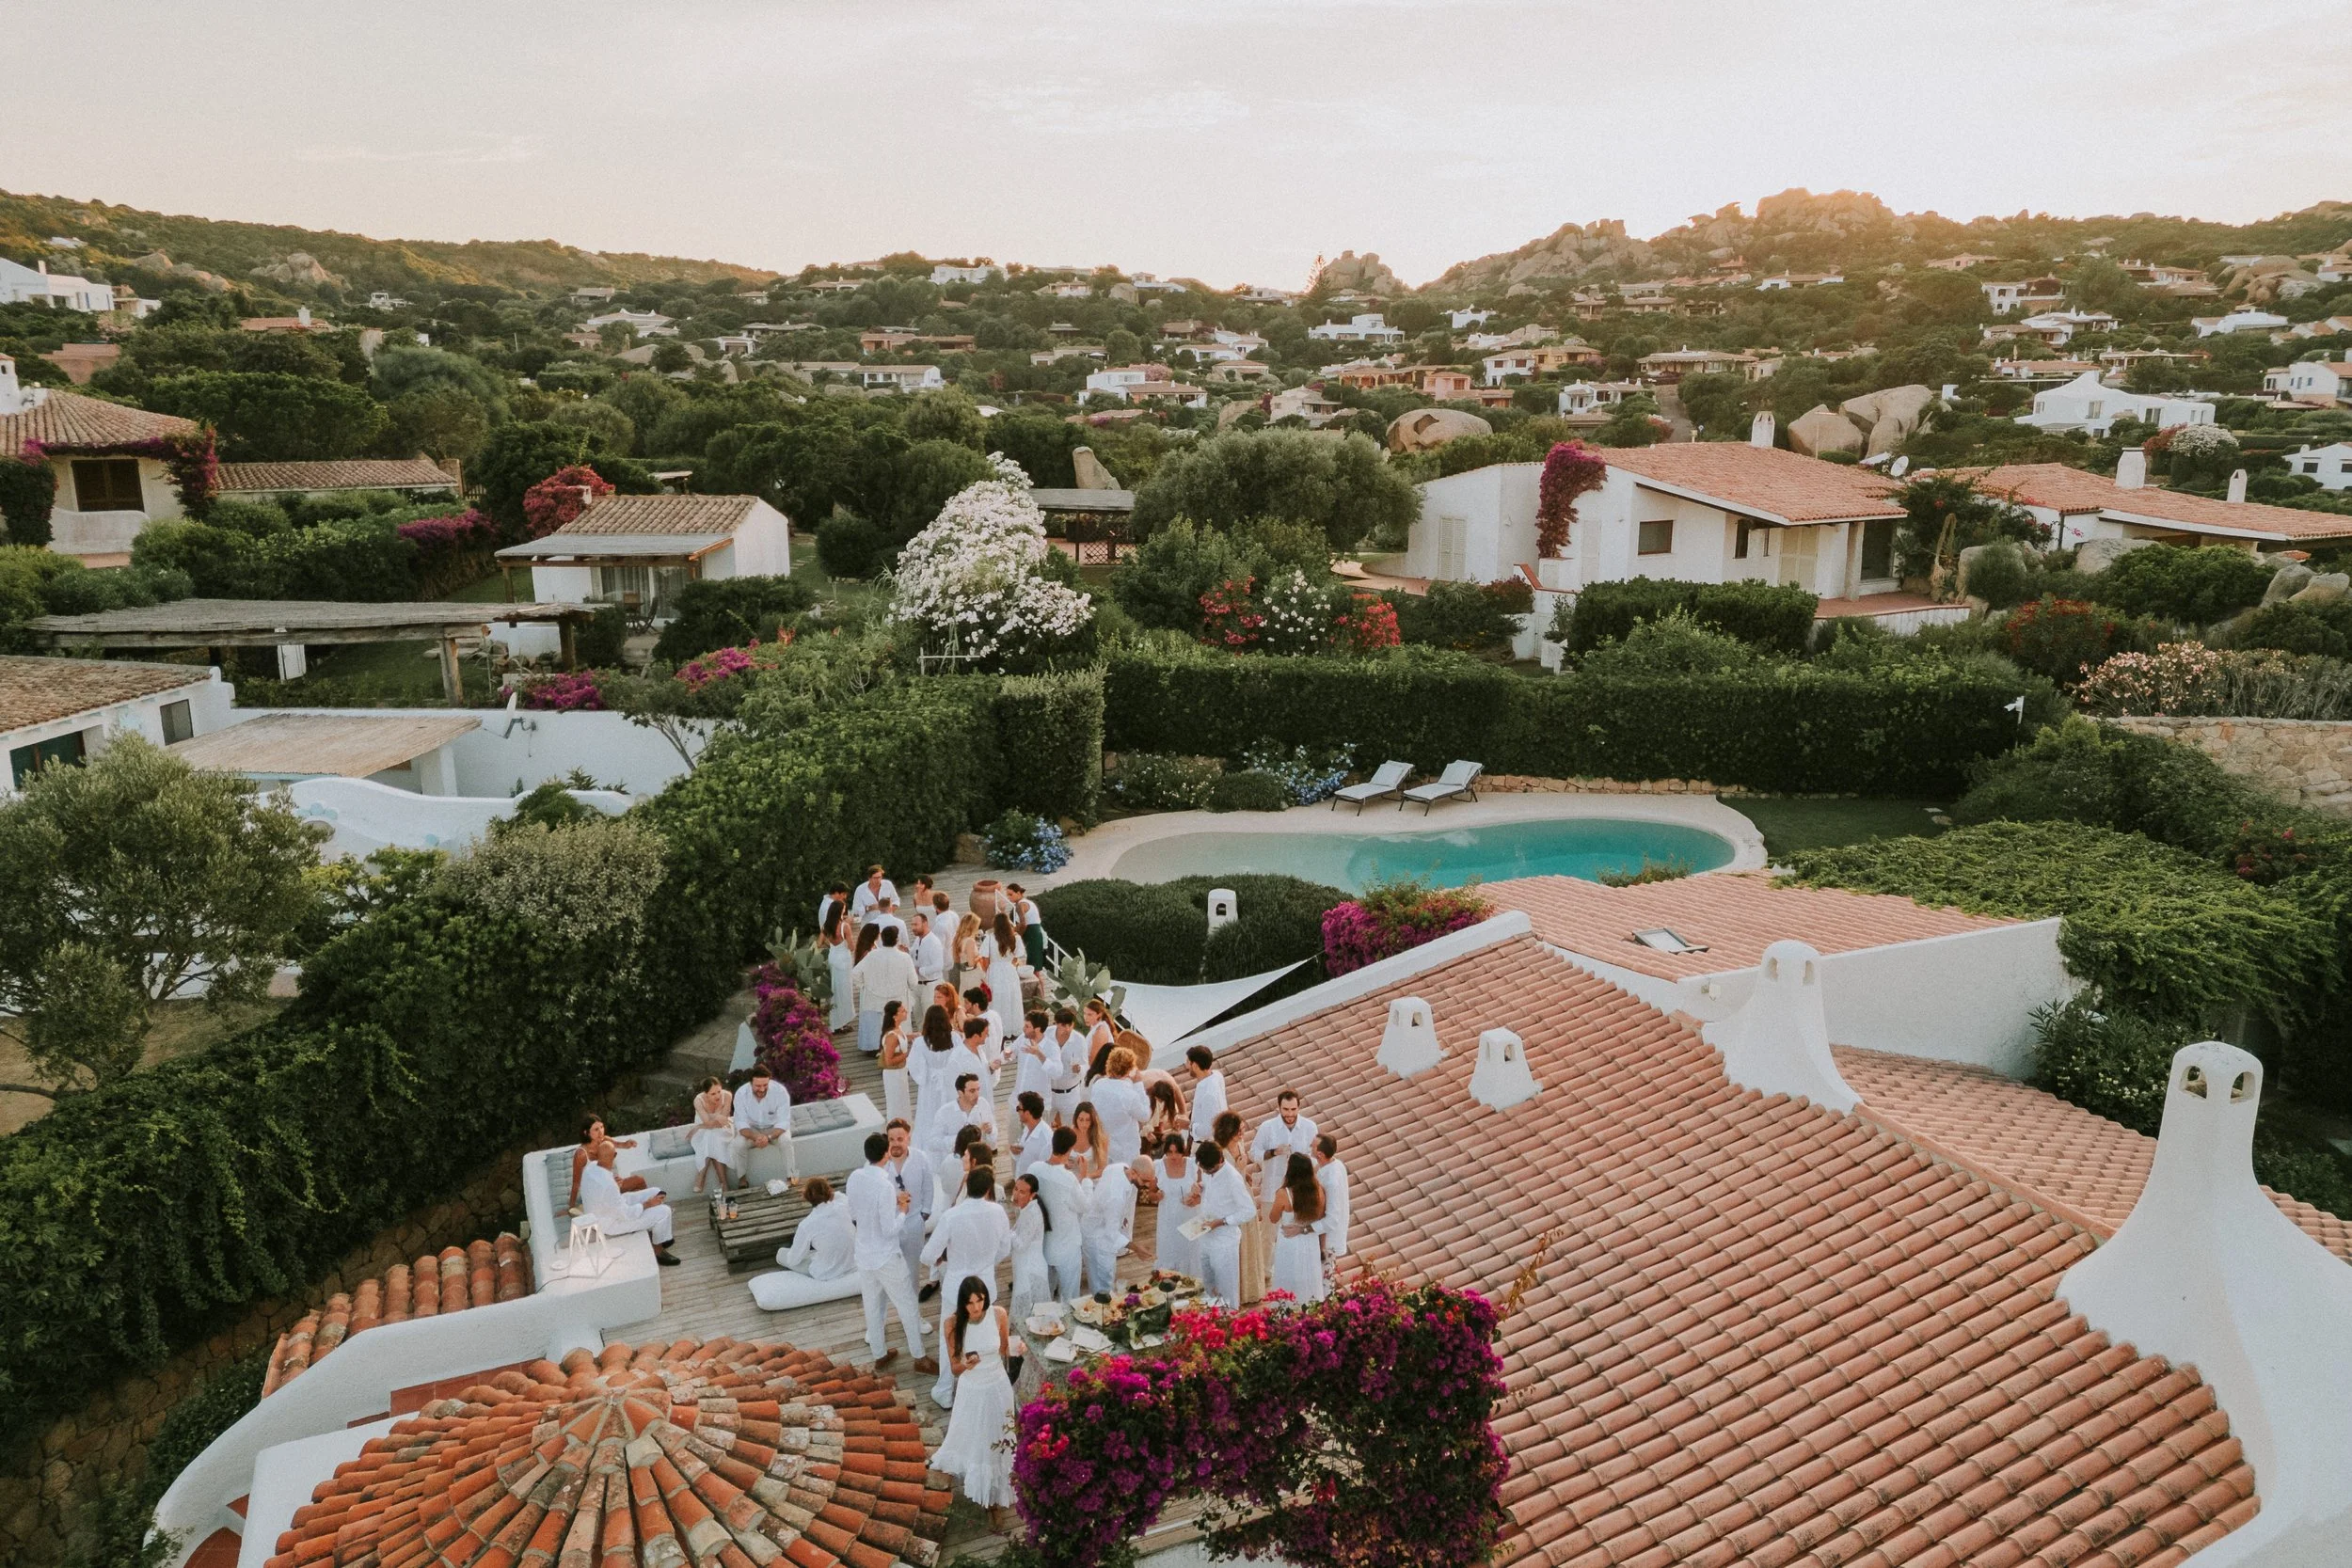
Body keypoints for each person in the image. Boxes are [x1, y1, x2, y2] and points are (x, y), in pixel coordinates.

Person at [930, 1275, 1024, 1528]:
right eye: (970, 1303)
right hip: (973, 1389)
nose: (976, 1308)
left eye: (979, 1300)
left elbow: (1004, 1348)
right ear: (962, 1304)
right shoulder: (952, 1324)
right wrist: (966, 1365)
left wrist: (1018, 1348)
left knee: (1000, 1438)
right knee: (981, 1441)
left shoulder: (999, 1314)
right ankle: (988, 1502)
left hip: (998, 1385)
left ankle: (999, 1493)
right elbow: (953, 1368)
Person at [922, 1168, 1012, 1406]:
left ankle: (945, 1392)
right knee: (986, 1334)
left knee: (950, 1338)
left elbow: (927, 1254)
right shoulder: (998, 1212)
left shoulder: (952, 1216)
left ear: (966, 1186)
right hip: (984, 1286)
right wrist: (987, 1263)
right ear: (988, 1188)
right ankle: (990, 1385)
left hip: (956, 1287)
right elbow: (1005, 1248)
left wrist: (942, 1259)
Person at [847, 1132, 930, 1371]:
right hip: (885, 1256)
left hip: (863, 1254)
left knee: (872, 1305)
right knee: (907, 1305)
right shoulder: (884, 1185)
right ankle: (919, 1356)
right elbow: (889, 1229)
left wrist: (891, 1203)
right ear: (885, 1155)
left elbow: (855, 1214)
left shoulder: (854, 1177)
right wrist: (903, 1209)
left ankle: (880, 1353)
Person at [580, 1140, 679, 1266]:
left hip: (609, 1208)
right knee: (664, 1211)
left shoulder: (591, 1167)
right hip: (611, 1223)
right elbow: (626, 1214)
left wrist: (615, 1184)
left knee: (656, 1191)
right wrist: (647, 1204)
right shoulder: (608, 1185)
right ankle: (658, 1250)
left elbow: (602, 1192)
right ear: (614, 1156)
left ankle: (662, 1236)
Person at [1190, 1141, 1254, 1307]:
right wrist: (1200, 1187)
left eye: (1208, 1169)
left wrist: (1222, 1222)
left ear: (1219, 1161)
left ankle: (1230, 1319)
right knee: (1207, 1284)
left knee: (1227, 1288)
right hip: (1204, 1235)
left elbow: (1249, 1211)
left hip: (1225, 1241)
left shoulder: (1233, 1179)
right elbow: (1211, 1187)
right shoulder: (1207, 1170)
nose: (1204, 1172)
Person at [880, 1119, 937, 1299]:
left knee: (912, 1268)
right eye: (891, 1139)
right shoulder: (880, 1163)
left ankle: (913, 1310)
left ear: (908, 1139)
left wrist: (924, 1212)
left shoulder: (921, 1158)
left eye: (900, 1138)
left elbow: (928, 1186)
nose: (895, 1143)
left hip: (914, 1221)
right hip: (889, 1224)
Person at [1265, 1152, 1327, 1305]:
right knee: (1309, 1276)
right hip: (1310, 1240)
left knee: (1288, 1276)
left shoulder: (1283, 1193)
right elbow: (1321, 1216)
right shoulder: (1318, 1190)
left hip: (1289, 1241)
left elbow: (1273, 1218)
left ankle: (1287, 1308)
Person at [1034, 1127, 1087, 1302]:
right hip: (1067, 1247)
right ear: (1070, 1149)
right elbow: (1083, 1206)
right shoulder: (1068, 1179)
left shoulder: (1035, 1168)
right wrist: (1084, 1179)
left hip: (1043, 1245)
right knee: (1070, 1298)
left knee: (1045, 1298)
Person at [853, 927, 920, 1058]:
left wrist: (864, 986)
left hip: (876, 998)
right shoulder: (905, 958)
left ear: (882, 939)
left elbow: (855, 973)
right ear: (897, 940)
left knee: (878, 1024)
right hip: (898, 998)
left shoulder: (872, 955)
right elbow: (913, 982)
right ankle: (897, 1047)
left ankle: (875, 1048)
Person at [775, 1177, 855, 1282]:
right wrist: (828, 1193)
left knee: (782, 1254)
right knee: (814, 1252)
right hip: (854, 1263)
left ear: (806, 1197)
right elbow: (840, 1196)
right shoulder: (843, 1205)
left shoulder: (807, 1224)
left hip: (827, 1273)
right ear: (829, 1192)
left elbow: (793, 1261)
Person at [1249, 1091, 1319, 1204]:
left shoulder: (1310, 1127)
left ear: (1298, 1108)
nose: (1290, 1113)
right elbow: (1253, 1153)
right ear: (1279, 1108)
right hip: (1272, 1193)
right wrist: (1273, 1153)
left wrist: (1302, 1160)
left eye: (1293, 1109)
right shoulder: (1267, 1127)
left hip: (1300, 1194)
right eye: (1286, 1109)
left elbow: (1317, 1158)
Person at [733, 1065, 794, 1183]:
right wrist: (756, 1137)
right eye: (758, 1086)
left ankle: (790, 1177)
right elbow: (741, 1124)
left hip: (774, 1129)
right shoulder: (741, 1094)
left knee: (786, 1141)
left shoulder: (780, 1091)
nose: (762, 1089)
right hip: (751, 1130)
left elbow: (783, 1122)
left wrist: (768, 1137)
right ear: (751, 1083)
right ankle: (742, 1180)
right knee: (738, 1144)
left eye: (765, 1085)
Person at [1079, 1155, 1131, 1296]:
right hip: (1097, 1238)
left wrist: (1121, 1217)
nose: (1145, 1184)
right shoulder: (1115, 1197)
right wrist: (1136, 1248)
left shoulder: (1120, 1167)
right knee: (1103, 1282)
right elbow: (1112, 1234)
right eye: (1144, 1180)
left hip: (1097, 1224)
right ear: (1134, 1173)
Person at [568, 1116, 644, 1209]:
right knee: (637, 1186)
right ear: (586, 1133)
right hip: (595, 1194)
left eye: (602, 1127)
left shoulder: (605, 1140)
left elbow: (621, 1145)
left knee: (639, 1181)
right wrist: (571, 1207)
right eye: (596, 1129)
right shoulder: (581, 1154)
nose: (601, 1132)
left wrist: (628, 1143)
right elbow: (576, 1183)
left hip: (610, 1185)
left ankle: (629, 1209)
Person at [1152, 1132, 1200, 1279]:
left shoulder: (1193, 1165)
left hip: (1190, 1217)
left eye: (1176, 1152)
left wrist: (1195, 1199)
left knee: (1191, 1252)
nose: (1173, 1156)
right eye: (1169, 1152)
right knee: (1169, 1251)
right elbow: (1150, 1193)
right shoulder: (1158, 1166)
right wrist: (1157, 1196)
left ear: (1183, 1150)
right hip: (1168, 1219)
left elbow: (1204, 1191)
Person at [1008, 1173, 1052, 1324]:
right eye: (1015, 1189)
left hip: (1030, 1268)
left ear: (1032, 1195)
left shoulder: (1033, 1213)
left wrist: (1009, 1232)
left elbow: (1020, 1245)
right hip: (1024, 1265)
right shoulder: (1026, 1209)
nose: (1016, 1194)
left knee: (1030, 1313)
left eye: (1022, 1192)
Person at [980, 912, 1026, 1040]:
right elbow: (1018, 956)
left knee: (997, 1000)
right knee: (1012, 999)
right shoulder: (1015, 938)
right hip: (1009, 971)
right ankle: (1013, 1027)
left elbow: (985, 960)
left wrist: (987, 970)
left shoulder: (989, 938)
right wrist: (1010, 962)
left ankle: (998, 1029)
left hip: (995, 971)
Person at [1313, 1132, 1350, 1281]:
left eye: (1313, 1146)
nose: (1310, 1147)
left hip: (1328, 1240)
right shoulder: (1335, 1164)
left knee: (1325, 1280)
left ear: (1320, 1154)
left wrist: (1307, 1230)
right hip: (1323, 1237)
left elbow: (1332, 1218)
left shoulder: (1331, 1181)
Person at [689, 1077, 735, 1195]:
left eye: (719, 1091)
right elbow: (707, 1123)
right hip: (702, 1133)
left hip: (724, 1130)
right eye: (713, 1093)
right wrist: (715, 1119)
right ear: (706, 1094)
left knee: (712, 1136)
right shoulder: (698, 1101)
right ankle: (724, 1183)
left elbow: (723, 1122)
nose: (717, 1096)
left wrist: (711, 1120)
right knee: (712, 1137)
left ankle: (701, 1175)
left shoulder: (727, 1096)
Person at [961, 990, 1005, 1103]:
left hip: (986, 1071)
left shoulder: (980, 1026)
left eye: (966, 1003)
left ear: (975, 1005)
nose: (964, 1006)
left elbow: (985, 1048)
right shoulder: (995, 1014)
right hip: (995, 1067)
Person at [1046, 1006, 1088, 1126]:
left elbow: (1086, 1066)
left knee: (1070, 1131)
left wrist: (1080, 1069)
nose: (1068, 1029)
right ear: (1056, 1024)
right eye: (1064, 1026)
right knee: (1042, 1128)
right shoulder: (1047, 1034)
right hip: (1048, 1092)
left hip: (1070, 1094)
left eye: (1070, 1025)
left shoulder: (1080, 1040)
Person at [1013, 1009, 1057, 1115]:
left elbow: (1057, 1073)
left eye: (1027, 1026)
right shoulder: (1022, 1039)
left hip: (1038, 1108)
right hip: (1017, 1103)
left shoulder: (1052, 1048)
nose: (1023, 1029)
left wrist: (1039, 1054)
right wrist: (1003, 1057)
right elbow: (1011, 1051)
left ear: (1037, 1029)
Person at [848, 923, 882, 1053]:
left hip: (874, 987)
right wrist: (863, 984)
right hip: (870, 988)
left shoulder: (871, 947)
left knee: (873, 1016)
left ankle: (873, 1044)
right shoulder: (868, 952)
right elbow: (856, 972)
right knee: (871, 1017)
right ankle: (872, 1046)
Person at [822, 905, 856, 1034]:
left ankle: (835, 1021)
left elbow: (821, 942)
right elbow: (851, 946)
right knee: (845, 991)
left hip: (833, 957)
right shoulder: (844, 926)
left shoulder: (826, 926)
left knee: (835, 989)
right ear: (840, 911)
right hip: (843, 959)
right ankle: (841, 1022)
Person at [1185, 1045, 1227, 1148]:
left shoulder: (1208, 1094)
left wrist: (1190, 1127)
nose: (1186, 1066)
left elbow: (1208, 1130)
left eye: (1188, 1063)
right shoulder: (1217, 1075)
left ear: (1194, 1065)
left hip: (1206, 1147)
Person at [878, 1001, 912, 1125]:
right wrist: (907, 1054)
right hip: (894, 1075)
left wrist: (913, 1036)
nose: (906, 1012)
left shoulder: (898, 1029)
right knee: (896, 1103)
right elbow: (889, 1060)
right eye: (902, 1011)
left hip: (901, 1072)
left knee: (903, 1101)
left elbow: (902, 1039)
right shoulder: (891, 1036)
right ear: (895, 1016)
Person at [1006, 881, 1047, 971]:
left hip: (1033, 935)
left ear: (1018, 893)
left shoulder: (1020, 905)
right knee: (1035, 969)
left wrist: (1017, 937)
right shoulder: (1026, 902)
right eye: (1007, 895)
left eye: (1010, 894)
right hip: (1036, 933)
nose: (1008, 897)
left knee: (1033, 969)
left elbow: (1023, 924)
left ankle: (1039, 985)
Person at [1012, 1090, 1052, 1179]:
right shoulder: (1027, 1128)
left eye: (1019, 1109)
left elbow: (1046, 1172)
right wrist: (1015, 1152)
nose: (1017, 1111)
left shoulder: (1046, 1139)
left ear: (1027, 1113)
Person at [1142, 1079, 1185, 1156]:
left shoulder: (1167, 1100)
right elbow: (1141, 1124)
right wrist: (1147, 1133)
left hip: (1154, 1131)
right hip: (1142, 1131)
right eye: (1159, 1099)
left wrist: (1173, 1130)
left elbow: (1172, 1116)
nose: (1160, 1101)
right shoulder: (1147, 1100)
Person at [1067, 1101, 1108, 1180]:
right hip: (1069, 1180)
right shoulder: (1068, 1133)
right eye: (1081, 1119)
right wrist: (1064, 1163)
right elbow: (1057, 1158)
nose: (1084, 1124)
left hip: (1090, 1180)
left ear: (1093, 1121)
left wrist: (1085, 1177)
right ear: (1076, 1118)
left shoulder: (1100, 1138)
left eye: (1088, 1120)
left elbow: (1102, 1169)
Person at [1080, 999, 1117, 1083]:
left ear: (1099, 1015)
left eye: (1090, 1014)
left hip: (1099, 1075)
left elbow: (1094, 1060)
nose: (1085, 1017)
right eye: (1084, 1013)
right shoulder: (1094, 1026)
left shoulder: (1100, 1031)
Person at [911, 911, 946, 990]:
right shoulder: (917, 939)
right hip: (917, 985)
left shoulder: (934, 942)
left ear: (925, 923)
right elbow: (915, 954)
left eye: (916, 924)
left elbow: (939, 966)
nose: (913, 928)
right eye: (912, 925)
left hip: (931, 985)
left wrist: (920, 971)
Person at [951, 911, 982, 994]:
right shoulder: (970, 941)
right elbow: (971, 963)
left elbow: (956, 960)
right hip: (973, 975)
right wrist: (979, 957)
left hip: (963, 975)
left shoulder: (956, 939)